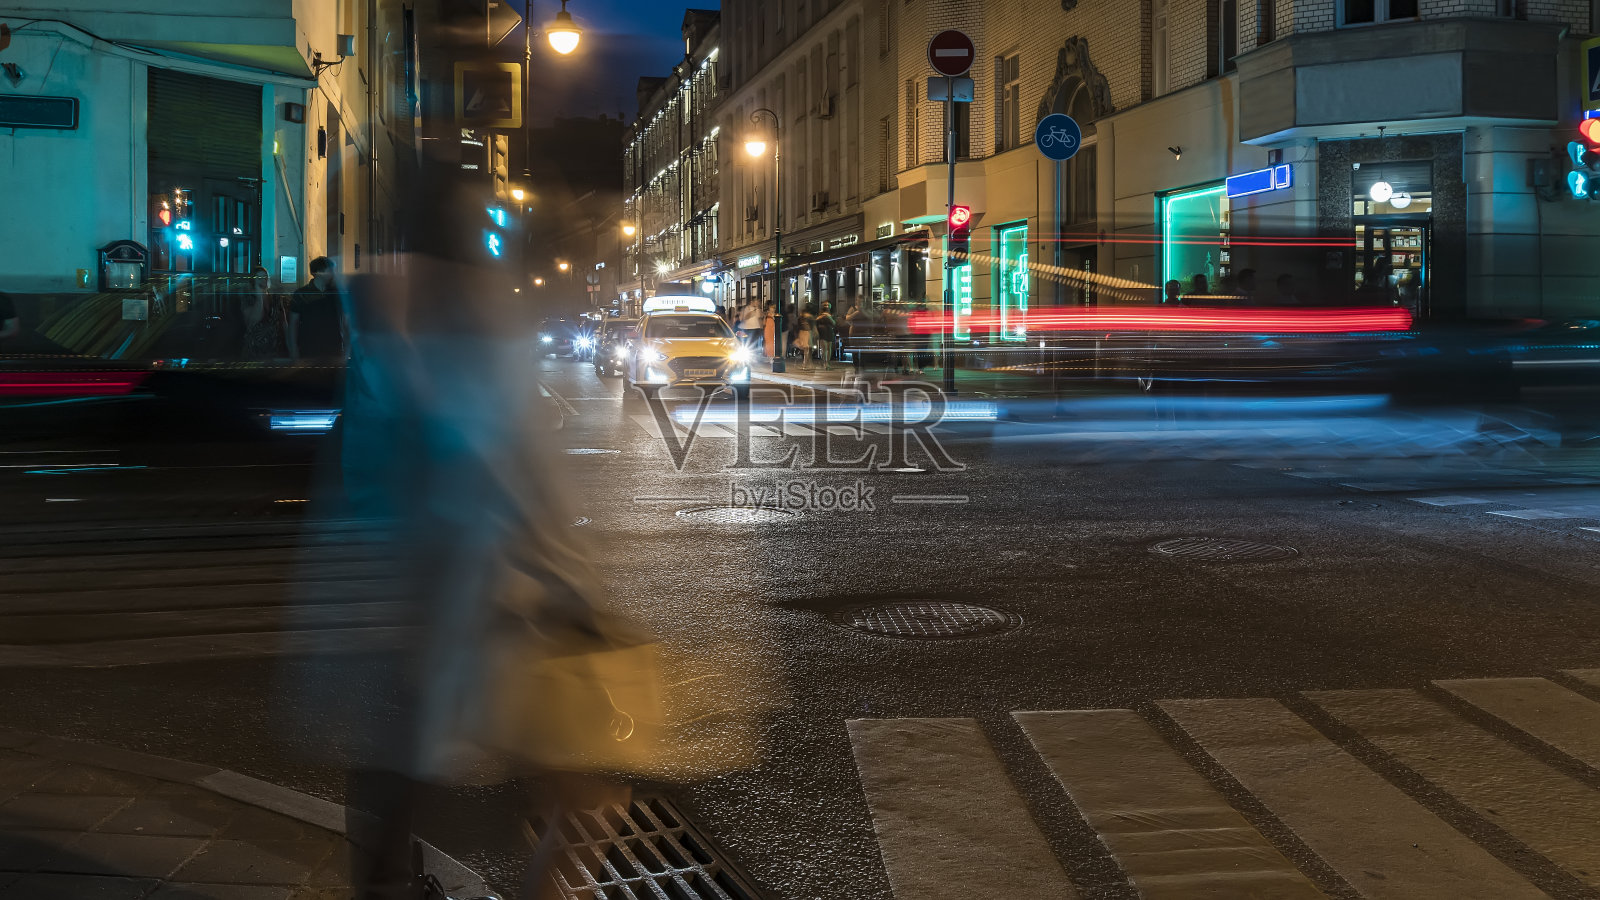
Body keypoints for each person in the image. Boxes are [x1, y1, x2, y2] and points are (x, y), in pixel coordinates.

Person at [289, 256, 347, 362]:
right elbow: (293, 323)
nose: (333, 273)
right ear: (318, 272)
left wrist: (346, 348)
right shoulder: (301, 294)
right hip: (309, 348)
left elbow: (345, 321)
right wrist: (293, 348)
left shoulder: (337, 293)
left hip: (333, 348)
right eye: (330, 270)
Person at [241, 267, 286, 360]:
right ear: (253, 280)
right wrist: (259, 296)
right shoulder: (248, 298)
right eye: (259, 278)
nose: (263, 280)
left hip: (275, 349)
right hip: (254, 350)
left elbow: (284, 323)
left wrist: (291, 347)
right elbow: (253, 321)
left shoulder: (275, 298)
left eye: (265, 277)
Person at [815, 303, 837, 370]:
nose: (827, 306)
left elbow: (834, 323)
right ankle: (824, 362)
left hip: (829, 331)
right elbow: (816, 322)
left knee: (829, 348)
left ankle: (828, 362)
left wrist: (828, 317)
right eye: (825, 305)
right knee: (824, 348)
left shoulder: (832, 315)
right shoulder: (820, 315)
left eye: (828, 305)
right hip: (822, 332)